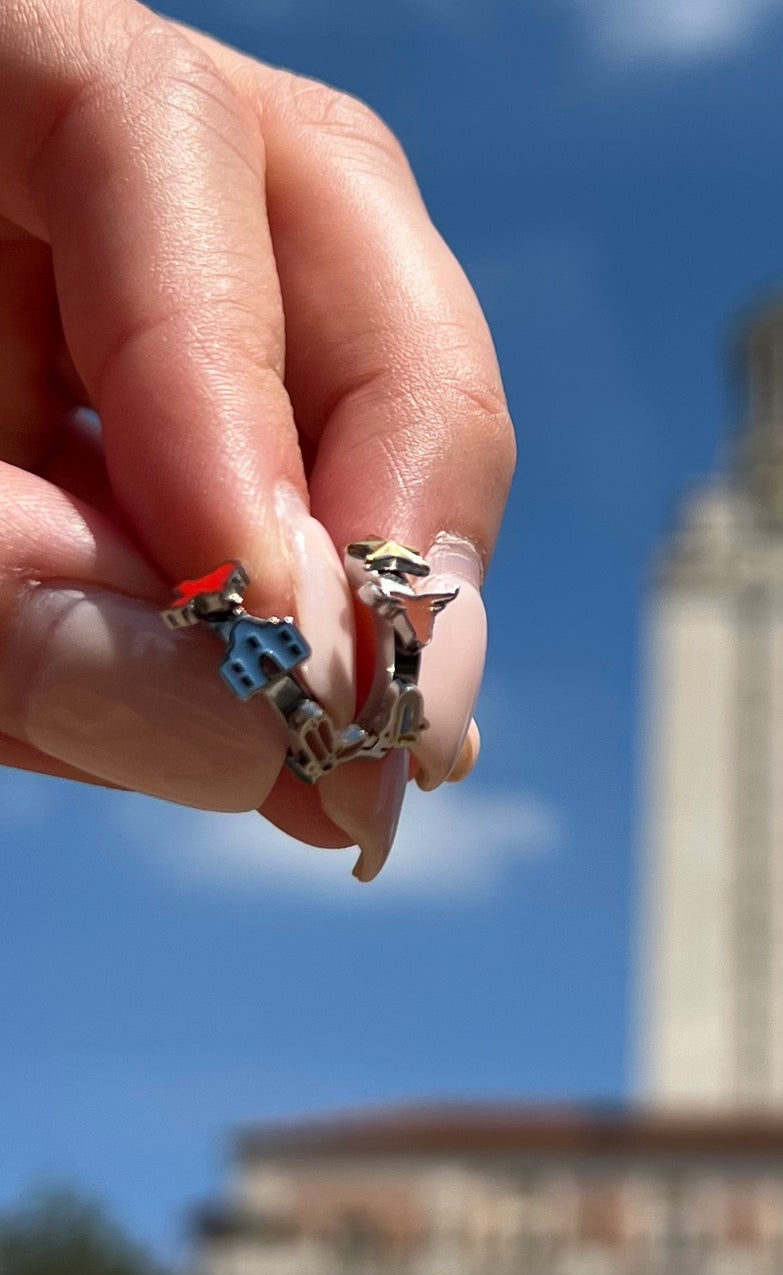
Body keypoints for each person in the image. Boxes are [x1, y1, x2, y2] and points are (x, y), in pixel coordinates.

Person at [0, 0, 514, 880]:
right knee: (303, 692)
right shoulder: (249, 607)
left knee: (326, 698)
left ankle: (366, 717)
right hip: (273, 654)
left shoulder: (289, 612)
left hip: (288, 659)